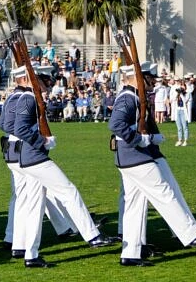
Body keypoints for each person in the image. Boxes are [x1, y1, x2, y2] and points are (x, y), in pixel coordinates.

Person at [8, 66, 116, 268]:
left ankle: (31, 255)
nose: (46, 84)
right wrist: (42, 142)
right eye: (42, 80)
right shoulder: (28, 98)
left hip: (31, 157)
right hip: (34, 157)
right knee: (69, 191)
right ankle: (93, 236)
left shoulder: (31, 97)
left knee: (35, 208)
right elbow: (19, 128)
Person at [109, 62, 196, 266]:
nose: (153, 82)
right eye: (150, 78)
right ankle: (191, 234)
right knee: (164, 193)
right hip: (135, 156)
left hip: (132, 157)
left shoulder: (135, 97)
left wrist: (152, 138)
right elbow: (116, 124)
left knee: (135, 206)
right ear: (139, 78)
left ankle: (131, 253)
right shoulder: (128, 98)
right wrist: (139, 139)